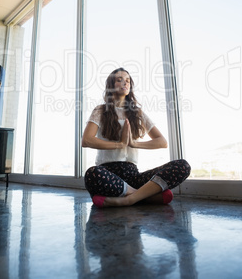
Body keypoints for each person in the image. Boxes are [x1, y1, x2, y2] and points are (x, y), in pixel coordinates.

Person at [82, 67, 191, 208]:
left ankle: (129, 199)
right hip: (107, 174)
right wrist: (120, 144)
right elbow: (87, 140)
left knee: (182, 166)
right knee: (92, 174)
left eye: (127, 80)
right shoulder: (100, 110)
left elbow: (162, 142)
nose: (125, 83)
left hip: (133, 176)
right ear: (110, 85)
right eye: (119, 80)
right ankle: (143, 195)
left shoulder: (137, 112)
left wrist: (133, 144)